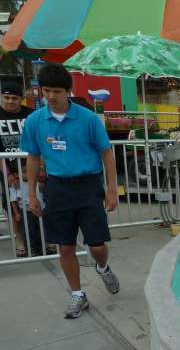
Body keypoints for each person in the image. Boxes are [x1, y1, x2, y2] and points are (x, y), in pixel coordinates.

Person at [20, 64, 120, 319]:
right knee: (64, 246)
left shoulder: (88, 119)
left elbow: (106, 153)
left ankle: (102, 266)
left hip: (88, 186)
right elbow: (33, 157)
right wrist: (31, 194)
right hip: (57, 188)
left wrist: (111, 189)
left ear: (68, 91)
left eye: (56, 91)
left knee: (97, 245)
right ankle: (78, 294)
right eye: (46, 91)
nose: (51, 96)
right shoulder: (35, 121)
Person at [0, 81, 34, 256]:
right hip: (7, 168)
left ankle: (45, 239)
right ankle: (20, 241)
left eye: (14, 98)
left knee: (39, 203)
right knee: (13, 208)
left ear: (21, 99)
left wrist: (37, 168)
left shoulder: (32, 115)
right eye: (6, 98)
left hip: (32, 168)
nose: (10, 101)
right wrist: (7, 174)